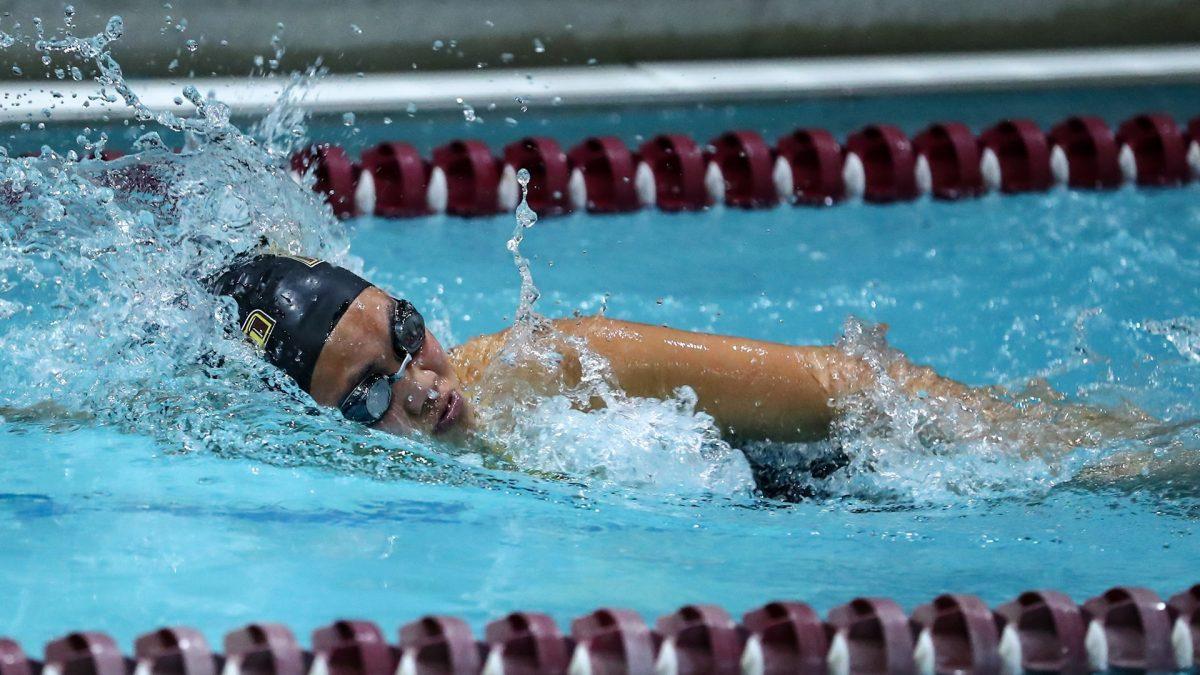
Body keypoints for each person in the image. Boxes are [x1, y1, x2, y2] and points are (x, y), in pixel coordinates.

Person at [212, 252, 1154, 493]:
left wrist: (1047, 448)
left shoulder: (561, 365)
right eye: (370, 395)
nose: (421, 384)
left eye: (406, 336)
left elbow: (856, 387)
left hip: (871, 474)